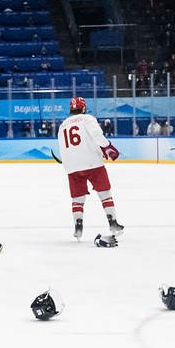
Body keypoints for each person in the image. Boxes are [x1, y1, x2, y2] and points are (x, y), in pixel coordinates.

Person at [57, 95, 124, 241]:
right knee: (104, 192)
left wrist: (68, 163)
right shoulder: (87, 118)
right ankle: (113, 223)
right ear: (83, 107)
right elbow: (96, 134)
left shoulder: (62, 125)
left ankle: (78, 227)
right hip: (92, 161)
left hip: (72, 165)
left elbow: (62, 148)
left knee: (77, 197)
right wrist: (108, 147)